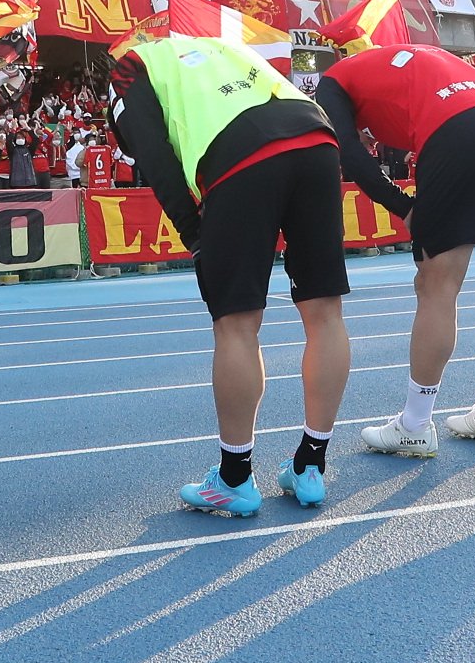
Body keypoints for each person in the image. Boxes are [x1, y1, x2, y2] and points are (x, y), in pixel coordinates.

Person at [111, 32, 351, 514]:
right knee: (324, 312)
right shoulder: (215, 45)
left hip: (240, 155)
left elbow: (156, 160)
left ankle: (235, 479)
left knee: (236, 325)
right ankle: (311, 465)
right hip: (315, 137)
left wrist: (194, 235)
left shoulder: (129, 69)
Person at [320, 43, 475, 454]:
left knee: (436, 285)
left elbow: (348, 153)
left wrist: (403, 207)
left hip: (459, 127)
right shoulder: (409, 58)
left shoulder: (333, 82)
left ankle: (415, 424)